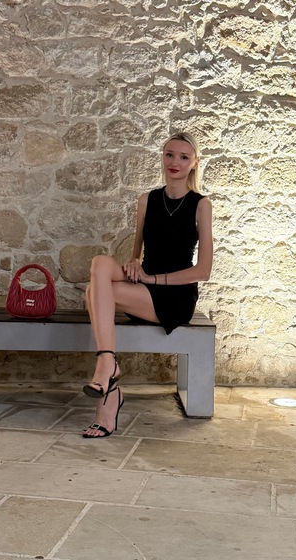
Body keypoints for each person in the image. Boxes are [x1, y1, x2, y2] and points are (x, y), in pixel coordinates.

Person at [82, 131, 214, 438]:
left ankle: (108, 383)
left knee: (92, 292)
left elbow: (203, 270)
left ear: (194, 163)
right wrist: (134, 263)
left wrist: (153, 279)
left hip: (175, 298)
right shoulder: (147, 200)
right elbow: (137, 253)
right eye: (169, 154)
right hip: (144, 285)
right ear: (163, 157)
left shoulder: (201, 205)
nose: (175, 162)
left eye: (183, 157)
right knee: (100, 264)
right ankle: (108, 363)